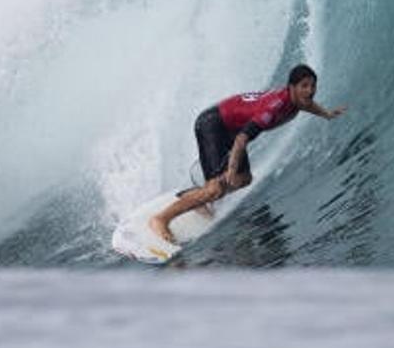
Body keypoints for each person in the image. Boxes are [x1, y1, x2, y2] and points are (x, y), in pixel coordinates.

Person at [148, 64, 345, 246]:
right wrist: (231, 169)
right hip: (213, 124)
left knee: (243, 180)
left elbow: (307, 104)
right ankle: (161, 219)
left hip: (228, 129)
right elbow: (242, 139)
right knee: (216, 189)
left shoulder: (297, 100)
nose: (310, 91)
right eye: (304, 86)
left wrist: (326, 114)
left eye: (313, 86)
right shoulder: (274, 108)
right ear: (291, 87)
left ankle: (195, 196)